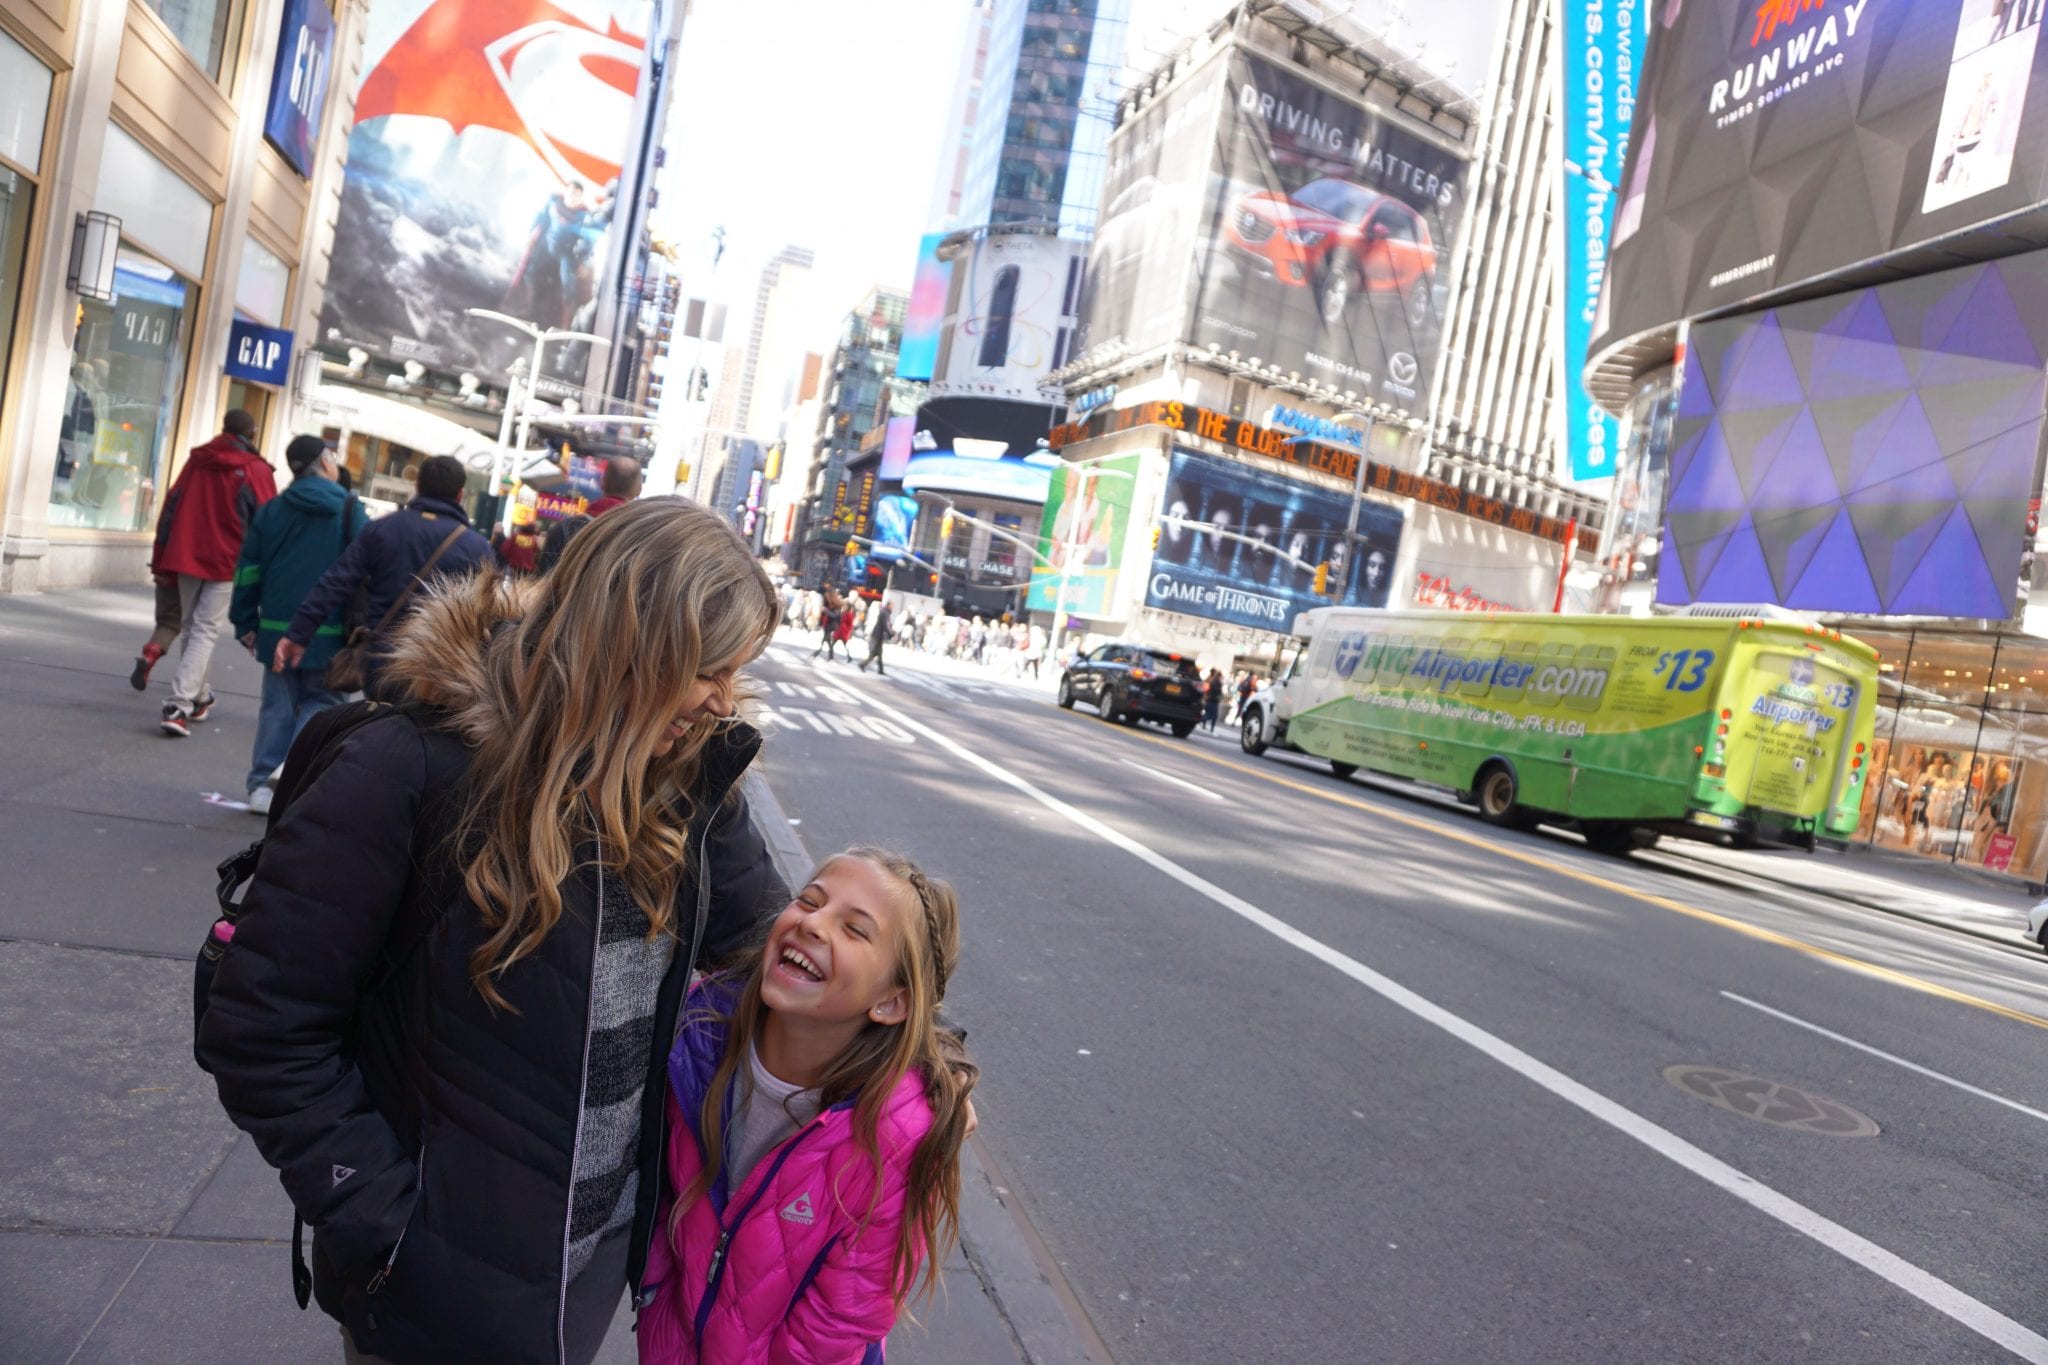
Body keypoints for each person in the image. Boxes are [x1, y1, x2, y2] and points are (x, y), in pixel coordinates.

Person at [196, 500, 791, 1364]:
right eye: (709, 670)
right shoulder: (406, 768)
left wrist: (917, 1049)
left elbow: (773, 944)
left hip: (587, 1266)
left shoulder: (687, 779)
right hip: (429, 1284)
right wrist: (388, 1222)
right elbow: (261, 1027)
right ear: (633, 646)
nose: (721, 701)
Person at [637, 846, 975, 1363]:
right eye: (809, 901)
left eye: (854, 929)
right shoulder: (698, 1035)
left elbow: (842, 1320)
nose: (814, 924)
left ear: (891, 1003)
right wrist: (657, 1286)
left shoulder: (895, 1137)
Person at [275, 455, 494, 696]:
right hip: (436, 669)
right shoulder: (477, 547)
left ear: (417, 487)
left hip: (382, 660)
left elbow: (336, 582)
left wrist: (298, 633)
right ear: (460, 494)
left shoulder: (383, 529)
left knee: (379, 723)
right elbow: (487, 615)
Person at [229, 436, 369, 813]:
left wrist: (244, 620)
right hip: (330, 632)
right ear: (324, 462)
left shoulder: (272, 510)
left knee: (277, 706)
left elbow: (248, 570)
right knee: (322, 704)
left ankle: (261, 785)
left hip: (276, 628)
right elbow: (365, 572)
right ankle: (289, 774)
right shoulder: (350, 510)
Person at [150, 409, 278, 737]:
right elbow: (268, 524)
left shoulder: (197, 461)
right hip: (227, 560)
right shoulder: (256, 471)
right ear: (253, 432)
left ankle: (200, 696)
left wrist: (160, 556)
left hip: (185, 552)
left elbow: (171, 507)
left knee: (194, 628)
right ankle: (178, 703)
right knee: (204, 629)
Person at [538, 455, 642, 571]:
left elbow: (543, 581)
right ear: (639, 490)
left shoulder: (564, 529)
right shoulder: (640, 544)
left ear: (602, 482)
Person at [857, 597, 894, 674]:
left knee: (878, 652)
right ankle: (863, 664)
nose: (893, 607)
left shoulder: (885, 612)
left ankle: (879, 669)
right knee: (875, 652)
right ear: (889, 605)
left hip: (878, 634)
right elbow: (886, 625)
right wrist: (891, 634)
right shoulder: (885, 613)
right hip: (878, 635)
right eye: (892, 605)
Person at [813, 586, 846, 661]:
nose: (826, 597)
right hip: (826, 624)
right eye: (826, 596)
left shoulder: (837, 604)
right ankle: (831, 656)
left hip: (832, 626)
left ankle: (816, 653)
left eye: (828, 596)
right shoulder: (827, 603)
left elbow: (835, 615)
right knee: (828, 641)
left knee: (824, 640)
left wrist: (825, 610)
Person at [1203, 667, 1225, 732]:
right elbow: (1217, 690)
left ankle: (1208, 726)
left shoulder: (1210, 679)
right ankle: (1202, 721)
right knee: (1213, 715)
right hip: (1213, 699)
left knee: (1209, 714)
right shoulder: (1215, 681)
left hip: (1210, 699)